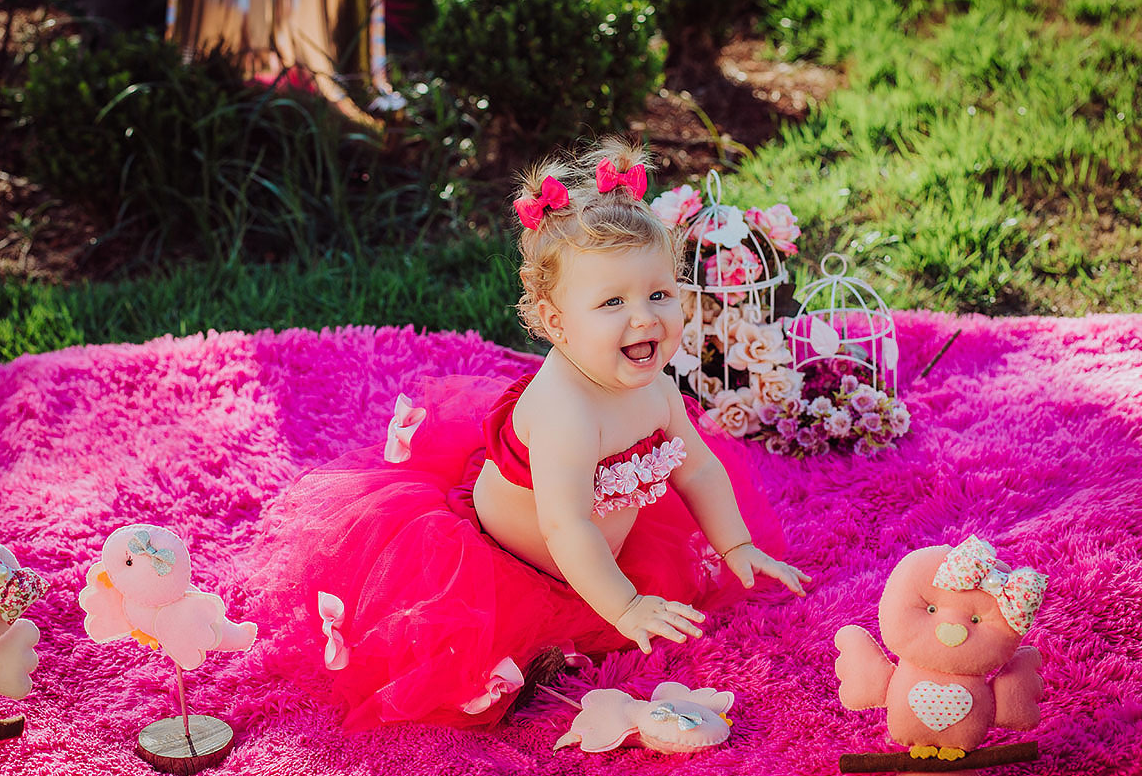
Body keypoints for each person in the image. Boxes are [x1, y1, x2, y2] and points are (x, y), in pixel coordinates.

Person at [260, 138, 809, 731]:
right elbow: (565, 526)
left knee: (639, 568)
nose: (644, 317)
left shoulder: (657, 389)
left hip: (597, 540)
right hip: (509, 560)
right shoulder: (565, 414)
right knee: (474, 666)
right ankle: (563, 620)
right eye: (613, 302)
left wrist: (735, 545)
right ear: (555, 322)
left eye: (659, 294)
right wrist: (625, 605)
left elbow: (696, 468)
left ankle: (595, 601)